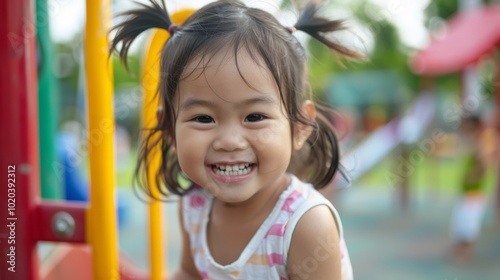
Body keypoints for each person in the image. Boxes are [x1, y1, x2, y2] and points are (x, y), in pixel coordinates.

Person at [111, 0, 362, 278]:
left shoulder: (305, 224)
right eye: (204, 119)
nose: (230, 141)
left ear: (300, 126)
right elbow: (190, 272)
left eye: (254, 117)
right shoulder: (194, 206)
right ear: (169, 130)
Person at [450, 115, 489, 262]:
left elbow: (484, 165)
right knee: (460, 223)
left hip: (474, 192)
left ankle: (466, 252)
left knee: (469, 224)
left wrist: (474, 175)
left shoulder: (480, 144)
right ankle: (460, 250)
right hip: (466, 192)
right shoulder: (471, 143)